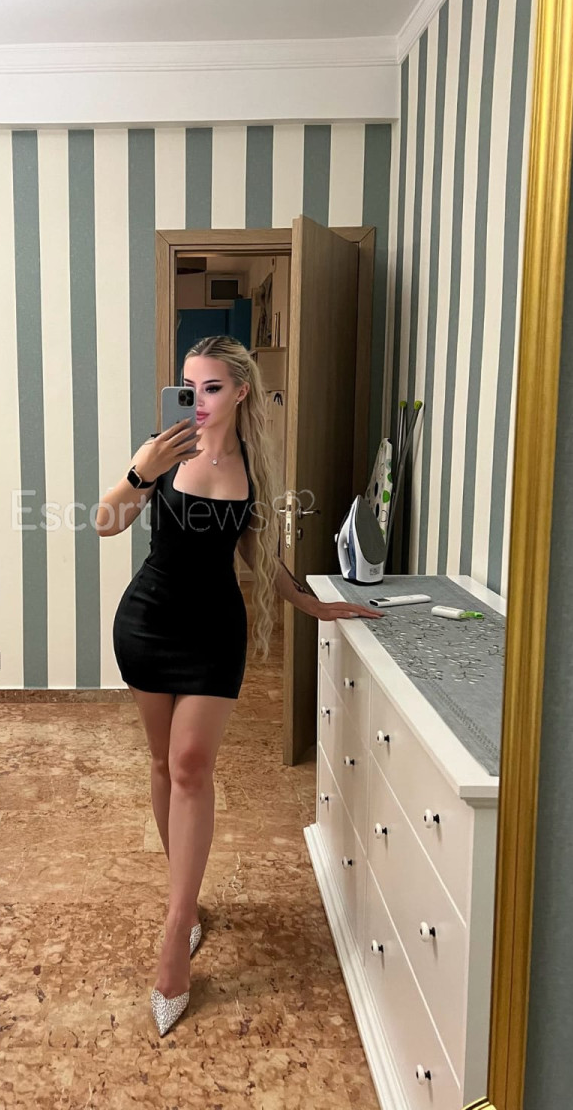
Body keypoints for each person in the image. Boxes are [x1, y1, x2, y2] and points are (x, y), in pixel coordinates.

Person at [95, 335, 382, 1037]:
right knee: (162, 765)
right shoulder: (162, 452)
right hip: (147, 623)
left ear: (241, 391)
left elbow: (258, 553)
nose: (197, 401)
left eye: (212, 387)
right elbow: (105, 523)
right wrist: (138, 472)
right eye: (189, 387)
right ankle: (186, 903)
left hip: (213, 634)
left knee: (192, 766)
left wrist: (312, 603)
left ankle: (175, 933)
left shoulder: (252, 465)